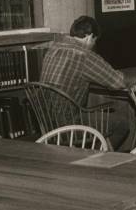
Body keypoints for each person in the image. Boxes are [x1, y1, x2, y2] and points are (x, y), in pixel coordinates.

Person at [40, 15, 130, 149]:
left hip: (47, 123)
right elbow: (118, 82)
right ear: (89, 37)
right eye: (95, 41)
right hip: (70, 126)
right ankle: (99, 159)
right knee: (122, 124)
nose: (94, 45)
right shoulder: (84, 55)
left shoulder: (52, 49)